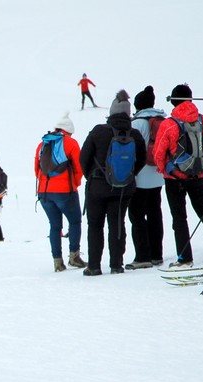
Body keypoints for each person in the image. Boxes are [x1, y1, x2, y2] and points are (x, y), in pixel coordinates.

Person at [154, 83, 203, 268]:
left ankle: (185, 258)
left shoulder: (169, 124)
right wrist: (200, 164)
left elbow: (159, 153)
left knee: (179, 218)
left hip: (175, 179)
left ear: (174, 101)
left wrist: (166, 170)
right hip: (199, 177)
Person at [79, 90, 147, 276]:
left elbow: (83, 158)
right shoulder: (135, 134)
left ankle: (94, 266)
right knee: (117, 224)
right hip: (124, 188)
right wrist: (127, 176)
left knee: (95, 225)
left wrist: (91, 176)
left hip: (97, 187)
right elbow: (141, 160)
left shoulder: (98, 131)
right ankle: (116, 264)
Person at [34, 112, 86, 272]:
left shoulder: (42, 144)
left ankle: (57, 262)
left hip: (44, 192)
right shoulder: (71, 143)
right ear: (68, 130)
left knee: (55, 226)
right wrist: (74, 184)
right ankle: (74, 257)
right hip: (65, 191)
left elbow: (37, 169)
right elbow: (79, 167)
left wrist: (44, 184)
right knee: (75, 221)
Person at [126, 85, 167, 269]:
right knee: (155, 213)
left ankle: (142, 256)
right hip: (159, 175)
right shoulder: (162, 120)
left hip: (140, 177)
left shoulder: (137, 123)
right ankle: (157, 254)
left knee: (136, 215)